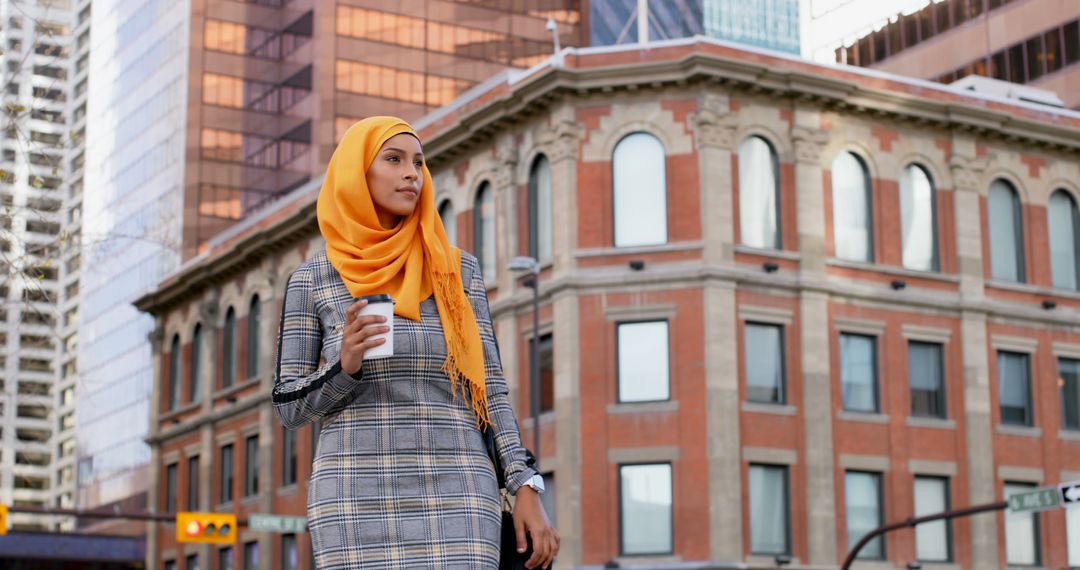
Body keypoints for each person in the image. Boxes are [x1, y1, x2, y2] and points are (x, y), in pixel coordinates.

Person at [272, 116, 559, 569]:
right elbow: (288, 406)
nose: (413, 173)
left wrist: (524, 485)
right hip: (353, 494)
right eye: (394, 159)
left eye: (419, 163)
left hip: (459, 488)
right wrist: (343, 365)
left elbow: (491, 391)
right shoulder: (313, 280)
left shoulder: (459, 271)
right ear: (356, 174)